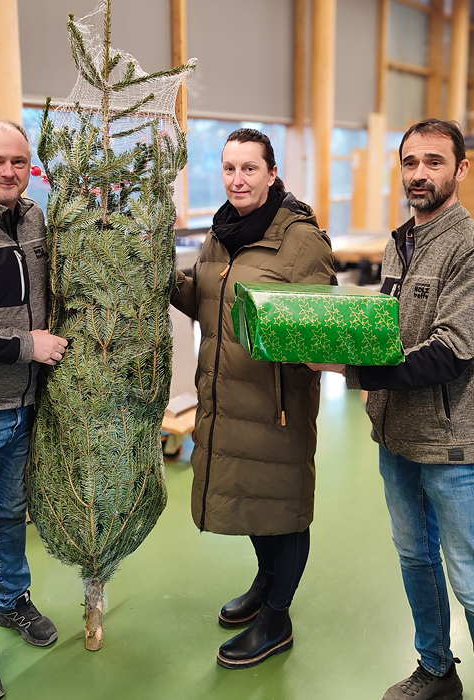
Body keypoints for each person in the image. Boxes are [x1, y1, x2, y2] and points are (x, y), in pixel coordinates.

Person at [311, 119, 474, 700]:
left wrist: (349, 372)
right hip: (397, 434)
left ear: (461, 169)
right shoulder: (399, 241)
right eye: (410, 162)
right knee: (415, 560)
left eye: (434, 161)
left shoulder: (467, 246)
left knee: (469, 577)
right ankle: (436, 670)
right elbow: (386, 331)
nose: (420, 173)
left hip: (453, 443)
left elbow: (450, 353)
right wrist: (328, 339)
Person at [172, 128, 336, 669]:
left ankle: (279, 617)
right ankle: (266, 586)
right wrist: (161, 275)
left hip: (276, 403)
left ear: (271, 173)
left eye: (249, 168)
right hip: (225, 396)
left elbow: (319, 324)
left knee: (283, 508)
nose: (237, 179)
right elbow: (205, 300)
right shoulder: (222, 234)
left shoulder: (300, 240)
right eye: (228, 168)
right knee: (251, 501)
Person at [0, 120, 65, 700]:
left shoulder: (36, 218)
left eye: (17, 161)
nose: (7, 171)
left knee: (11, 514)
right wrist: (25, 346)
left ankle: (13, 601)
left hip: (26, 401)